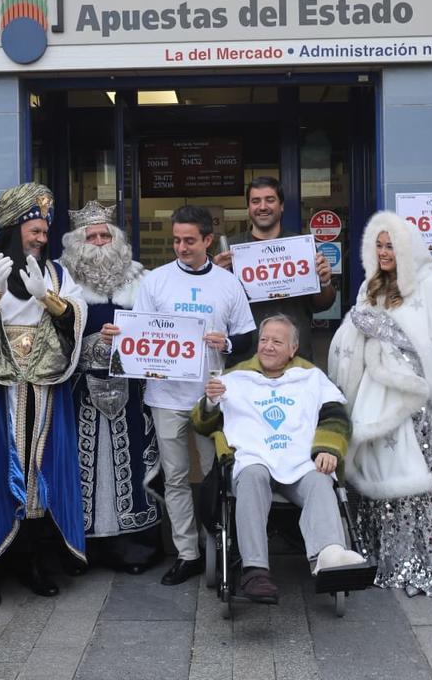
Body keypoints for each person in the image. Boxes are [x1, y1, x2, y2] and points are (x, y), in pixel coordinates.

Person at [0, 183, 87, 607]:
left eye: (45, 232)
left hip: (42, 390)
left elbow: (76, 317)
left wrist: (51, 300)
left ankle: (35, 562)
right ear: (12, 229)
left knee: (39, 473)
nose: (42, 239)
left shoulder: (57, 274)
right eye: (35, 231)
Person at [119, 205, 255, 586]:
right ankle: (187, 553)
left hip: (212, 397)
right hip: (165, 396)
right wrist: (122, 343)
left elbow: (247, 337)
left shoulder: (228, 283)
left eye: (189, 241)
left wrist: (226, 342)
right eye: (177, 240)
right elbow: (141, 336)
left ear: (208, 240)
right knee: (176, 477)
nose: (181, 247)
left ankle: (221, 547)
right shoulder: (156, 281)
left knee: (217, 475)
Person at [327, 211, 432, 599]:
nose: (385, 252)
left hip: (410, 401)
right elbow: (353, 336)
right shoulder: (371, 287)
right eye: (379, 245)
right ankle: (380, 554)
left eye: (391, 245)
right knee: (376, 472)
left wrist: (382, 332)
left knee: (411, 477)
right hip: (372, 397)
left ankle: (416, 557)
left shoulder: (431, 286)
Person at [192, 314, 364, 603]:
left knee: (321, 480)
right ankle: (255, 571)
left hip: (300, 463)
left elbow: (336, 417)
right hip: (255, 461)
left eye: (276, 341)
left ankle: (330, 556)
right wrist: (210, 401)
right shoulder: (235, 378)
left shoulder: (311, 377)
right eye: (263, 340)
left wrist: (327, 449)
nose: (268, 346)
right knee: (251, 474)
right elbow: (202, 425)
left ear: (292, 349)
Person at [59, 200, 161, 574]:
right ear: (76, 242)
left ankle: (133, 547)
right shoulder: (62, 282)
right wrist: (90, 345)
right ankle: (78, 547)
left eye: (105, 235)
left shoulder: (142, 279)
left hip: (132, 391)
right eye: (92, 236)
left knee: (134, 462)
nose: (100, 242)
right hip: (78, 389)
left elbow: (160, 330)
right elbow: (50, 339)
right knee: (77, 464)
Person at [212, 177, 335, 361]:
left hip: (294, 357)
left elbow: (322, 305)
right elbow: (213, 308)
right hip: (244, 358)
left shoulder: (301, 248)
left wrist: (324, 282)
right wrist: (214, 278)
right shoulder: (229, 251)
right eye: (255, 201)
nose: (262, 207)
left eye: (270, 200)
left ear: (282, 206)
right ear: (248, 208)